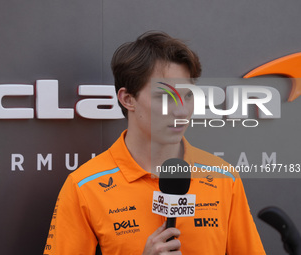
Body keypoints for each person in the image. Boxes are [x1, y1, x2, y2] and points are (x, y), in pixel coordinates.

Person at [43, 31, 266, 255]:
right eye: (165, 96)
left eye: (187, 95)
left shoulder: (224, 178)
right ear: (128, 99)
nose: (180, 110)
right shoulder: (84, 186)